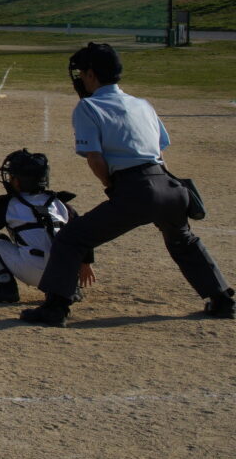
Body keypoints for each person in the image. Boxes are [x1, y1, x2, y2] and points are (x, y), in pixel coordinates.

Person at [20, 42, 234, 326]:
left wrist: (112, 185)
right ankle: (222, 299)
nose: (81, 79)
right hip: (171, 187)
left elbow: (95, 159)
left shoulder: (88, 106)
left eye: (83, 73)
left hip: (137, 189)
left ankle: (55, 308)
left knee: (72, 238)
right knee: (183, 241)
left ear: (92, 74)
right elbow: (159, 151)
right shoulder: (142, 104)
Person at [0, 150, 93, 304]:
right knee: (68, 244)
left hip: (32, 272)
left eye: (12, 176)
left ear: (17, 182)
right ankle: (70, 288)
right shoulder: (60, 203)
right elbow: (84, 234)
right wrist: (86, 263)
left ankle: (6, 289)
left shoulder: (8, 204)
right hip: (63, 274)